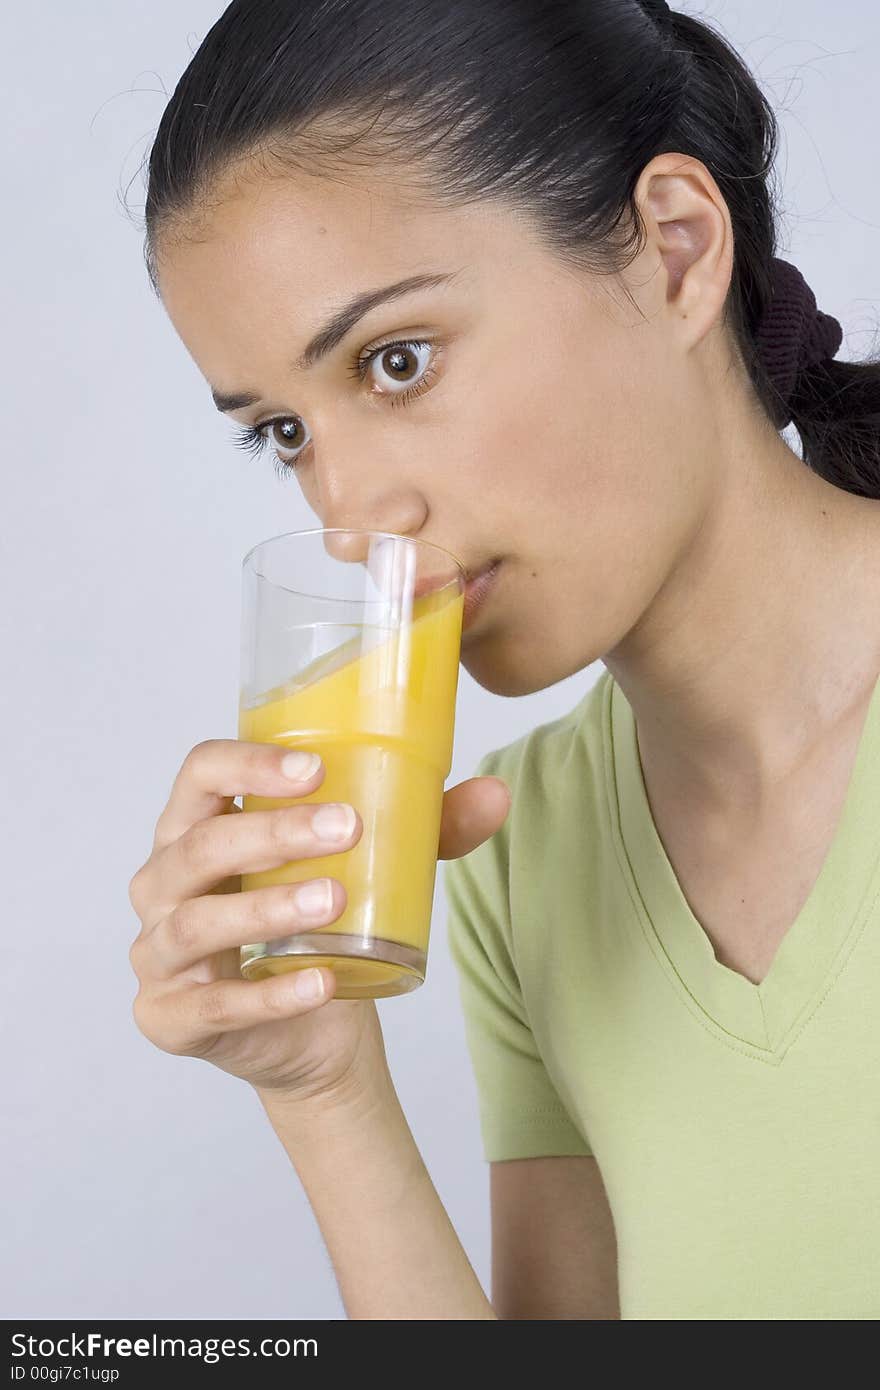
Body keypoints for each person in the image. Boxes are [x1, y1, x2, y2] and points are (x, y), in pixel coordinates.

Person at [127, 0, 880, 1319]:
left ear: (674, 252)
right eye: (286, 433)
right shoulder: (520, 860)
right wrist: (321, 1083)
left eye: (397, 359)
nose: (351, 511)